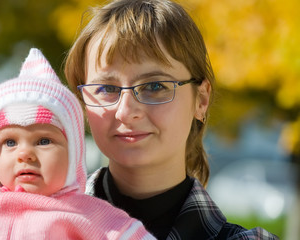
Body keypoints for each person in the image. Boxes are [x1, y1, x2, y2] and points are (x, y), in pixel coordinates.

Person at [64, 0, 279, 239]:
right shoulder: (32, 228)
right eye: (106, 88)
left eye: (155, 86)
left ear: (201, 100)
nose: (125, 111)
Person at [0, 48, 156, 240]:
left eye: (44, 141)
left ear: (73, 153)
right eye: (10, 142)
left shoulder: (90, 217)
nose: (25, 154)